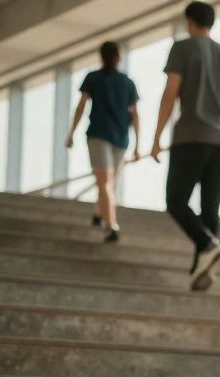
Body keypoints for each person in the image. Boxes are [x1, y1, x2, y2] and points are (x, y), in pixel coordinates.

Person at [151, 1, 220, 291]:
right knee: (210, 210)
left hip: (191, 137)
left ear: (190, 21)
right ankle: (201, 269)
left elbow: (170, 93)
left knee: (175, 200)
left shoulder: (182, 48)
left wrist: (157, 137)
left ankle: (209, 245)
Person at [66, 41, 140, 243]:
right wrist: (137, 145)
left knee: (106, 182)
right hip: (118, 138)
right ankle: (111, 224)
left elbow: (81, 106)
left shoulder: (95, 78)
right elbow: (135, 116)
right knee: (107, 182)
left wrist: (71, 133)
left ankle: (100, 215)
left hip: (103, 135)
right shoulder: (126, 82)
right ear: (119, 57)